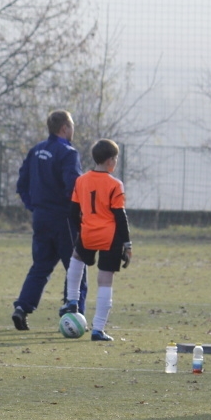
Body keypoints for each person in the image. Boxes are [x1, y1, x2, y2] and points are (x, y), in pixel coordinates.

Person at [12, 110, 85, 331]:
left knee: (40, 267)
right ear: (65, 128)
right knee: (76, 267)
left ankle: (22, 308)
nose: (73, 129)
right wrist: (78, 214)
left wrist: (34, 206)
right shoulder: (68, 153)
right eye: (71, 125)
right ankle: (74, 314)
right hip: (63, 219)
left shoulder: (36, 150)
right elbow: (73, 187)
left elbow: (21, 184)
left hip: (41, 218)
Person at [60, 140, 131, 342]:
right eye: (115, 159)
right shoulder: (115, 184)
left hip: (88, 232)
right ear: (110, 161)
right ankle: (98, 329)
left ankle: (72, 300)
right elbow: (120, 216)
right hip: (110, 237)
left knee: (76, 258)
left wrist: (82, 229)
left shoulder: (81, 181)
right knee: (105, 280)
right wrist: (127, 244)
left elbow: (73, 212)